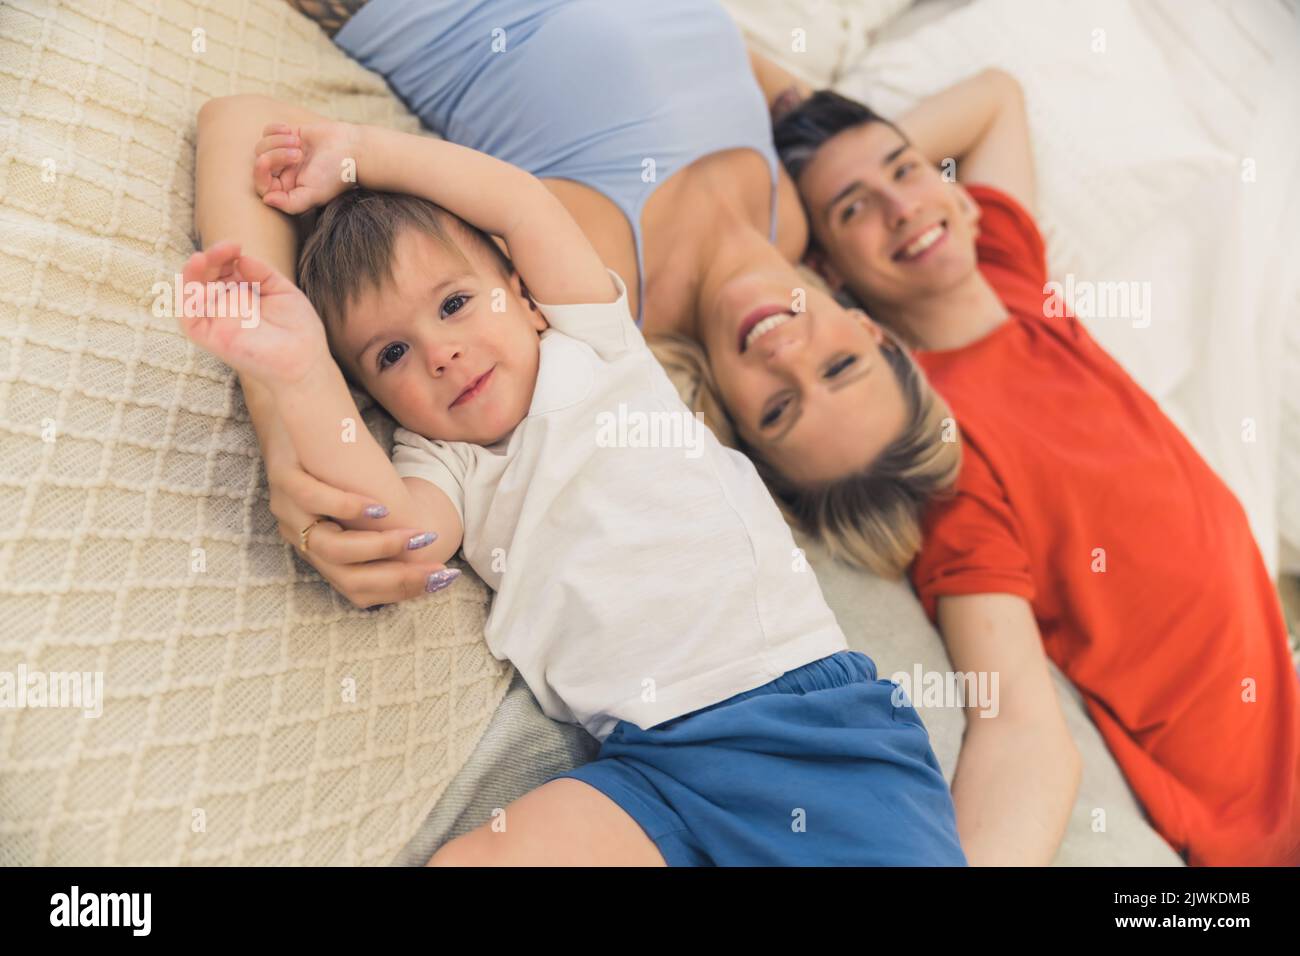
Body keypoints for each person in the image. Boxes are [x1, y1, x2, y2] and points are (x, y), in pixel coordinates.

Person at [174, 116, 967, 866]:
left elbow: (519, 202)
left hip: (804, 727)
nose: (441, 354)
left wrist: (358, 154)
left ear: (522, 294)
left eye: (454, 305)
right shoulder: (439, 461)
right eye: (390, 355)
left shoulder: (593, 343)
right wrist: (301, 369)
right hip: (650, 772)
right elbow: (395, 537)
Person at [190, 0, 963, 611]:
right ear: (870, 329)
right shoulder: (795, 216)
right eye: (839, 365)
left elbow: (244, 129)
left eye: (780, 410)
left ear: (736, 428)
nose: (786, 354)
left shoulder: (585, 285)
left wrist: (278, 409)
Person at [764, 70, 1300, 866]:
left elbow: (995, 96)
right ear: (830, 274)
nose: (903, 207)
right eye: (854, 211)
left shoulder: (1009, 271)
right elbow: (1014, 722)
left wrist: (797, 108)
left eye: (908, 171)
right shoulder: (939, 445)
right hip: (1255, 829)